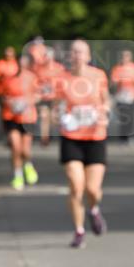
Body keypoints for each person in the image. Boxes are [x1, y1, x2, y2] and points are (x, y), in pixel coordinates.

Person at [49, 39, 110, 248]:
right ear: (70, 56)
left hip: (95, 137)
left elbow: (106, 101)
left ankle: (93, 210)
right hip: (71, 138)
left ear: (88, 56)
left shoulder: (98, 76)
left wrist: (103, 113)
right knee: (76, 186)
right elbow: (55, 107)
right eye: (74, 52)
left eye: (81, 52)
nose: (77, 56)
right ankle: (79, 230)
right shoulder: (62, 80)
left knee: (92, 190)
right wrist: (60, 118)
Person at [0, 53, 40, 189]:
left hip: (28, 117)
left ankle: (28, 164)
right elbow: (0, 94)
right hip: (11, 116)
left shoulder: (32, 78)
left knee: (25, 150)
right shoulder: (8, 78)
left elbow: (38, 95)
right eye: (20, 61)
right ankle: (18, 175)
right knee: (16, 147)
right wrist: (10, 103)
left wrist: (27, 102)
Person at [31, 45, 65, 145]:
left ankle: (51, 134)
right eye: (45, 55)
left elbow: (63, 82)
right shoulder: (39, 69)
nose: (46, 58)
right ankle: (44, 138)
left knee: (53, 119)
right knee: (44, 116)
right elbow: (35, 82)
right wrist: (38, 90)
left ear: (53, 57)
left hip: (56, 97)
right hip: (43, 97)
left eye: (48, 56)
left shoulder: (59, 68)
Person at [110, 49, 134, 143]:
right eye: (123, 56)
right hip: (121, 96)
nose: (125, 58)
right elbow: (112, 84)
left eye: (127, 56)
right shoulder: (117, 68)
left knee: (132, 116)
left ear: (130, 57)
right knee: (123, 117)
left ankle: (130, 136)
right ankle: (122, 137)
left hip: (133, 96)